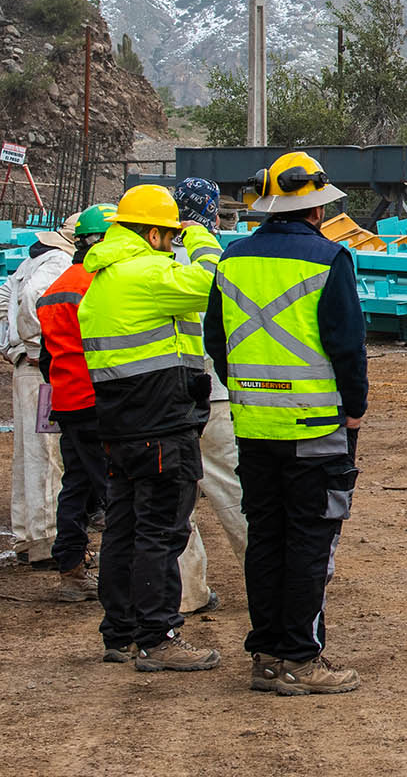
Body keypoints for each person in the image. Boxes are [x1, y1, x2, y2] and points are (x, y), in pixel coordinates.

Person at [207, 151, 369, 694]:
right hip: (314, 429)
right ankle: (301, 657)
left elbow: (216, 340)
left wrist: (249, 389)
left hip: (253, 428)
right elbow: (347, 346)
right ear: (317, 209)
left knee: (266, 540)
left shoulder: (231, 259)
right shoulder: (330, 260)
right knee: (309, 542)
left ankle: (268, 654)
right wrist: (355, 408)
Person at [78, 184, 221, 671]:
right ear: (156, 233)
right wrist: (200, 235)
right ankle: (157, 636)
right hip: (162, 422)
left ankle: (119, 633)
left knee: (123, 527)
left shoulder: (102, 278)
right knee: (162, 529)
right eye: (172, 234)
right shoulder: (150, 272)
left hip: (120, 423)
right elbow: (216, 282)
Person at [170, 177, 246, 617]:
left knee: (177, 499)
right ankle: (268, 578)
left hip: (167, 395)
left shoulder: (157, 258)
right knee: (236, 492)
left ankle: (186, 593)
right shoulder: (223, 259)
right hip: (216, 394)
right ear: (214, 215)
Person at [36, 204, 117, 603]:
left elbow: (46, 359)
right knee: (115, 490)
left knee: (76, 484)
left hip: (67, 402)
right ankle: (124, 582)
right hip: (101, 400)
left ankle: (69, 570)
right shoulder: (102, 285)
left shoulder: (56, 289)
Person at [0, 223, 75, 567]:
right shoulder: (59, 262)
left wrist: (11, 339)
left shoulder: (34, 260)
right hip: (40, 369)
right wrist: (34, 344)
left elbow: (2, 298)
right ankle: (45, 541)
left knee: (27, 454)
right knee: (46, 455)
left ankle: (27, 538)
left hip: (24, 368)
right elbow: (32, 299)